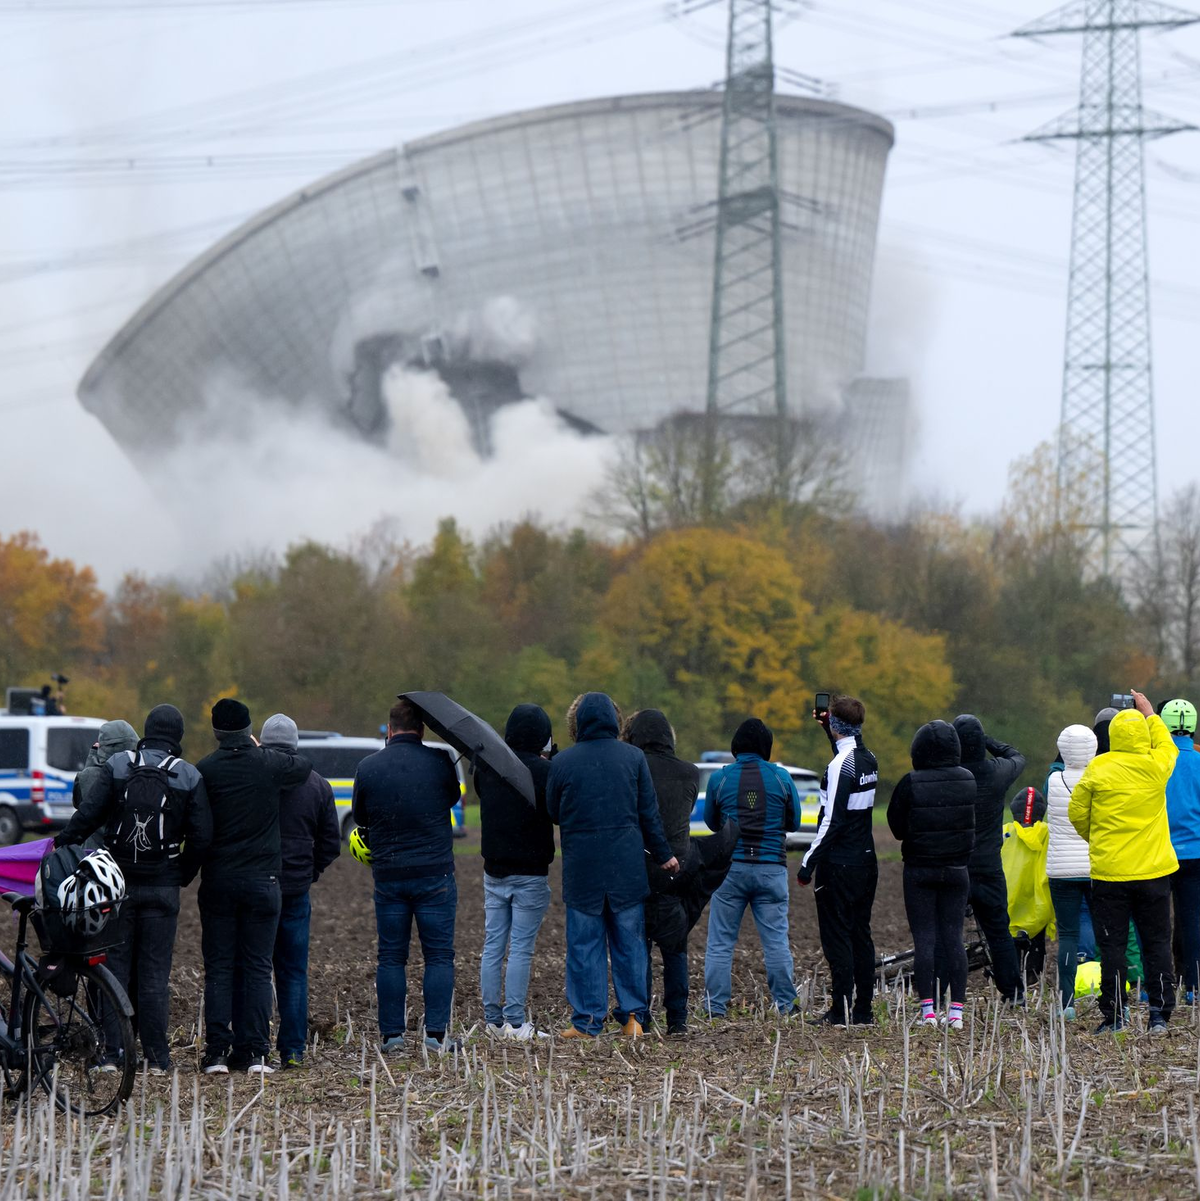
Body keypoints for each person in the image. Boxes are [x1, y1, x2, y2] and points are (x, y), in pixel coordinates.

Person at [57, 704, 212, 1074]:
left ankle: (115, 1055)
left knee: (116, 971)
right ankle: (157, 1058)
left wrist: (66, 840)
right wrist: (180, 873)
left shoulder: (118, 766)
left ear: (146, 730)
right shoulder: (188, 776)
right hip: (162, 888)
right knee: (155, 976)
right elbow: (203, 837)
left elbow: (90, 813)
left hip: (119, 888)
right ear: (178, 736)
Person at [547, 693, 678, 1039]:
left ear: (577, 723)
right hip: (626, 868)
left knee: (583, 946)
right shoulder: (634, 757)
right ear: (614, 720)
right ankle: (633, 1017)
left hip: (582, 868)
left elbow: (553, 812)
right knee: (630, 945)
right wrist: (664, 854)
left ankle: (587, 1021)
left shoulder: (562, 763)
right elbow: (648, 813)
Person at [196, 698, 312, 1074]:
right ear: (249, 731)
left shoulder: (205, 771)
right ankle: (258, 1052)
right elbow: (304, 766)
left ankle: (216, 1053)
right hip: (264, 882)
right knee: (259, 967)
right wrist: (260, 750)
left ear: (216, 732)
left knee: (219, 968)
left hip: (218, 882)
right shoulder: (268, 764)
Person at [352, 697, 461, 1053]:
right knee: (440, 956)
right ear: (422, 729)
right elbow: (448, 800)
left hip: (389, 875)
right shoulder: (441, 761)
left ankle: (392, 1036)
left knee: (391, 957)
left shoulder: (368, 767)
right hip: (435, 874)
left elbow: (361, 816)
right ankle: (436, 1036)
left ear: (390, 729)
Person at [1069, 689, 1179, 1034]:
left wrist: (1098, 838)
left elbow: (1077, 814)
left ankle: (1115, 1015)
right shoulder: (1156, 765)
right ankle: (1159, 1015)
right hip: (1154, 872)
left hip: (1110, 873)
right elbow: (1169, 746)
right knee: (1157, 943)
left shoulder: (1098, 768)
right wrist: (1150, 713)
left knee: (1112, 946)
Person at [702, 717, 801, 1018]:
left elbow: (710, 821)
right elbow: (794, 822)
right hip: (771, 868)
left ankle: (714, 1008)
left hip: (730, 870)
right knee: (776, 942)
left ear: (735, 747)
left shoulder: (720, 778)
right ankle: (786, 1005)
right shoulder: (782, 778)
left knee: (720, 942)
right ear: (766, 747)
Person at [258, 713, 340, 1069]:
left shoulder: (252, 781)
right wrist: (310, 872)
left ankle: (255, 1047)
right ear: (295, 744)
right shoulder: (318, 785)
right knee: (293, 972)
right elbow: (330, 843)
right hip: (296, 889)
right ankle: (292, 1050)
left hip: (258, 885)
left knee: (257, 968)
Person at [887, 720, 976, 1029]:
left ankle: (927, 1011)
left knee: (925, 940)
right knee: (954, 939)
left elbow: (896, 828)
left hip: (919, 870)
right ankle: (956, 1013)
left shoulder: (910, 782)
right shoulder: (968, 780)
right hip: (956, 870)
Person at [797, 695, 879, 1027]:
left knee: (837, 939)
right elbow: (848, 763)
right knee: (861, 935)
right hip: (867, 862)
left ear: (835, 725)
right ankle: (863, 1011)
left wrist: (807, 863)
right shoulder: (869, 758)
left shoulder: (837, 766)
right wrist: (828, 729)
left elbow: (831, 820)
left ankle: (840, 1011)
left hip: (839, 865)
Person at [475, 703, 556, 1041]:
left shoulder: (487, 768)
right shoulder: (544, 772)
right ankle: (516, 1022)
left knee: (493, 944)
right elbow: (554, 811)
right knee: (521, 947)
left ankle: (492, 1020)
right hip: (531, 872)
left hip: (494, 870)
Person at [622, 709, 699, 1036]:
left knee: (638, 948)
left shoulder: (631, 769)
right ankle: (678, 1019)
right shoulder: (690, 773)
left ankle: (640, 1017)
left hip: (637, 869)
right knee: (675, 948)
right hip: (675, 871)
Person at [951, 715, 1026, 1004]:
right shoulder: (997, 773)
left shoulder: (952, 775)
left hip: (956, 866)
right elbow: (1016, 756)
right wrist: (988, 741)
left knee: (949, 935)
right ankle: (1014, 993)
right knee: (999, 933)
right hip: (989, 868)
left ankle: (946, 996)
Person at [1045, 724, 1096, 1017]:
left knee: (1067, 936)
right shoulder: (1100, 778)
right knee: (1106, 933)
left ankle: (1066, 1004)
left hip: (1061, 870)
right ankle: (1112, 998)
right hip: (1095, 867)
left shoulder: (1052, 781)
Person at [1162, 698, 1200, 1002]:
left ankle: (1158, 988)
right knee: (1192, 921)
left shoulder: (1157, 761)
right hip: (1196, 854)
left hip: (1160, 853)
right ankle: (1193, 987)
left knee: (1158, 923)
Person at [1001, 787, 1051, 981]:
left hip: (1010, 897)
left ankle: (1011, 974)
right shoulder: (1046, 832)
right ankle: (1032, 973)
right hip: (1038, 899)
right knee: (1037, 937)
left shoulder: (1005, 832)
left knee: (1008, 937)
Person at [72, 720, 137, 809]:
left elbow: (81, 804)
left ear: (104, 746)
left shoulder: (92, 774)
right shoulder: (140, 772)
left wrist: (93, 758)